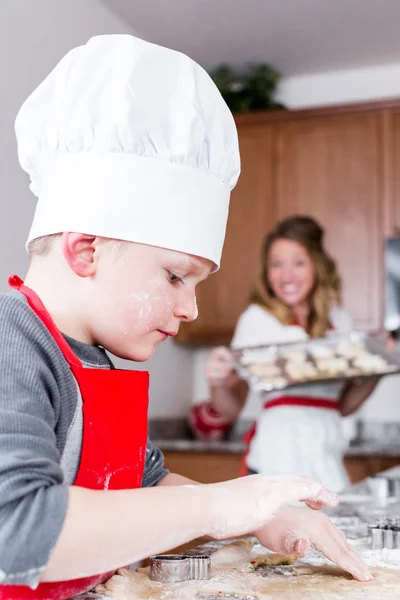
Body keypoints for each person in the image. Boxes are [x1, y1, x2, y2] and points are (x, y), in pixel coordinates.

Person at [0, 36, 371, 599]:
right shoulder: (12, 343)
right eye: (176, 276)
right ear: (86, 251)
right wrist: (221, 505)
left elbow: (144, 485)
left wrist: (261, 517)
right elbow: (18, 529)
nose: (190, 307)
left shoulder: (94, 359)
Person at [205, 216, 379, 491]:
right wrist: (215, 381)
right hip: (275, 465)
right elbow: (231, 408)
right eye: (277, 264)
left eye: (299, 262)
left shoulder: (340, 321)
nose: (287, 275)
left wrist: (374, 373)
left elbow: (342, 406)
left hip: (328, 463)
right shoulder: (257, 320)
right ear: (266, 271)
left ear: (317, 266)